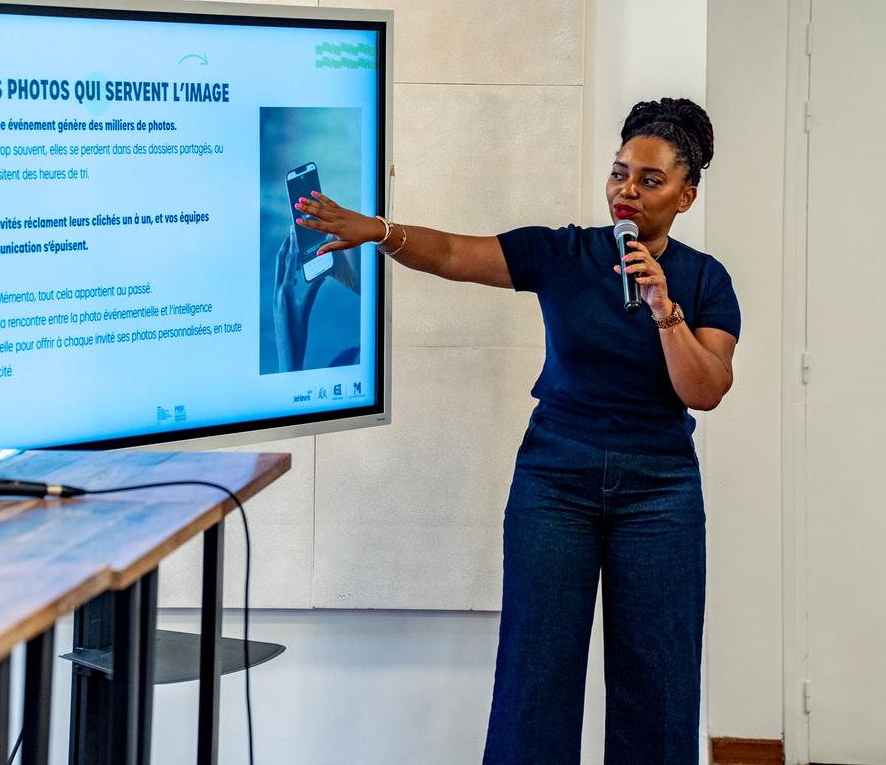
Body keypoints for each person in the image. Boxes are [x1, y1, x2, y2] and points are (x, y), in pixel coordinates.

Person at [294, 98, 739, 764]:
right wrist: (379, 230)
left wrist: (662, 309)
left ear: (686, 195)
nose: (627, 191)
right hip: (556, 482)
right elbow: (453, 253)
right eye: (619, 173)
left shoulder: (706, 280)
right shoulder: (563, 252)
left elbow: (704, 391)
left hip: (661, 491)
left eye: (650, 181)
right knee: (537, 672)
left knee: (660, 678)